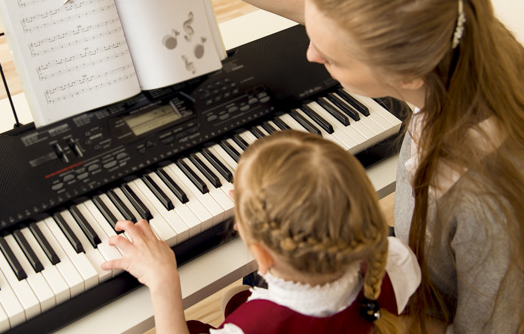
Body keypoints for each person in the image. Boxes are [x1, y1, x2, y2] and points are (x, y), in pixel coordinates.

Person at [100, 0, 524, 333]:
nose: (310, 56)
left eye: (333, 57)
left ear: (408, 76)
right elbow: (318, 10)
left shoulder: (489, 207)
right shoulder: (461, 46)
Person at [101, 130, 420, 333]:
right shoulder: (392, 263)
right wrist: (268, 208)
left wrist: (163, 280)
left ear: (262, 254)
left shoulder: (254, 327)